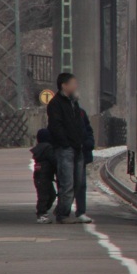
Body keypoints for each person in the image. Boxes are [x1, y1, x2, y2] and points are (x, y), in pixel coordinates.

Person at [48, 72, 86, 224]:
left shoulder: (73, 103)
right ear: (64, 85)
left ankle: (63, 209)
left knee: (78, 183)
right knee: (67, 183)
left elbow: (79, 125)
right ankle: (63, 214)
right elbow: (56, 126)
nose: (76, 86)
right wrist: (65, 143)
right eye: (73, 83)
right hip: (65, 149)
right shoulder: (56, 104)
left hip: (77, 148)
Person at [72, 106, 95, 224]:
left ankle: (81, 211)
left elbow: (88, 130)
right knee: (68, 183)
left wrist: (89, 142)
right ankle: (63, 211)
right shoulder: (59, 109)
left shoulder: (81, 112)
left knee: (81, 183)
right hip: (68, 151)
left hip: (81, 152)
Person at [32, 128, 57, 224]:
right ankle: (41, 213)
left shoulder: (39, 148)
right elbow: (53, 160)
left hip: (40, 175)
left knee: (46, 195)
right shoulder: (48, 148)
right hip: (45, 175)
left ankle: (42, 211)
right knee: (46, 196)